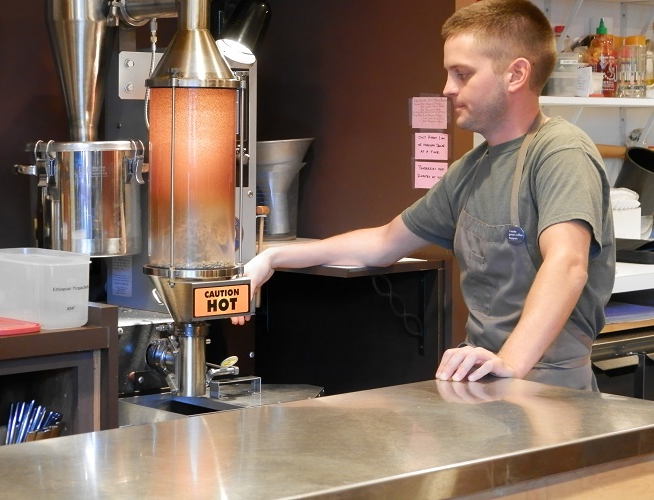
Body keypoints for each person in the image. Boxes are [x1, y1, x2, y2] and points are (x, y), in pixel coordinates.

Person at [233, 0, 615, 391]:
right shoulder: (472, 169)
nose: (447, 89)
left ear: (516, 74)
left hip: (551, 388)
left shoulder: (559, 151)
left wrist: (510, 362)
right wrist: (274, 258)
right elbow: (383, 243)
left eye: (462, 74)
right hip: (484, 378)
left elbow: (568, 262)